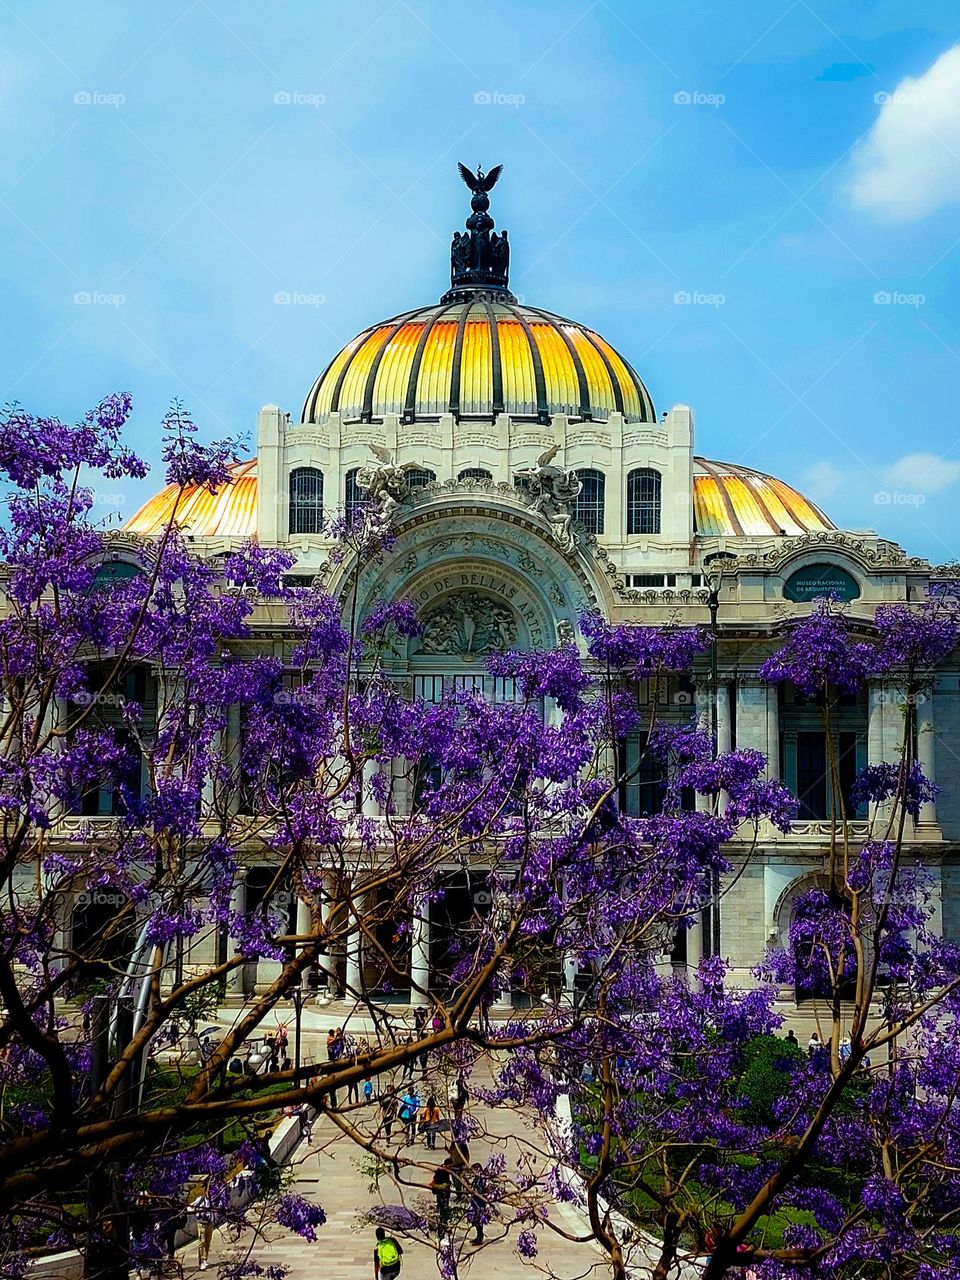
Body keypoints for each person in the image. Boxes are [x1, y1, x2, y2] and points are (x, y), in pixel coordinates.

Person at [429, 1157, 453, 1231]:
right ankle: (443, 1224)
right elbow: (435, 1182)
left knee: (443, 1209)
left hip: (443, 1193)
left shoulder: (443, 1170)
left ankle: (443, 1223)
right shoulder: (442, 1172)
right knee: (444, 1209)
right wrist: (446, 1185)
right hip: (442, 1194)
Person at [468, 1162, 487, 1245]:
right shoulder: (476, 1178)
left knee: (478, 1221)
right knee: (475, 1221)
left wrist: (473, 1191)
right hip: (474, 1202)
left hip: (479, 1203)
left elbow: (480, 1190)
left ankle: (480, 1237)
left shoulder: (481, 1179)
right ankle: (478, 1236)